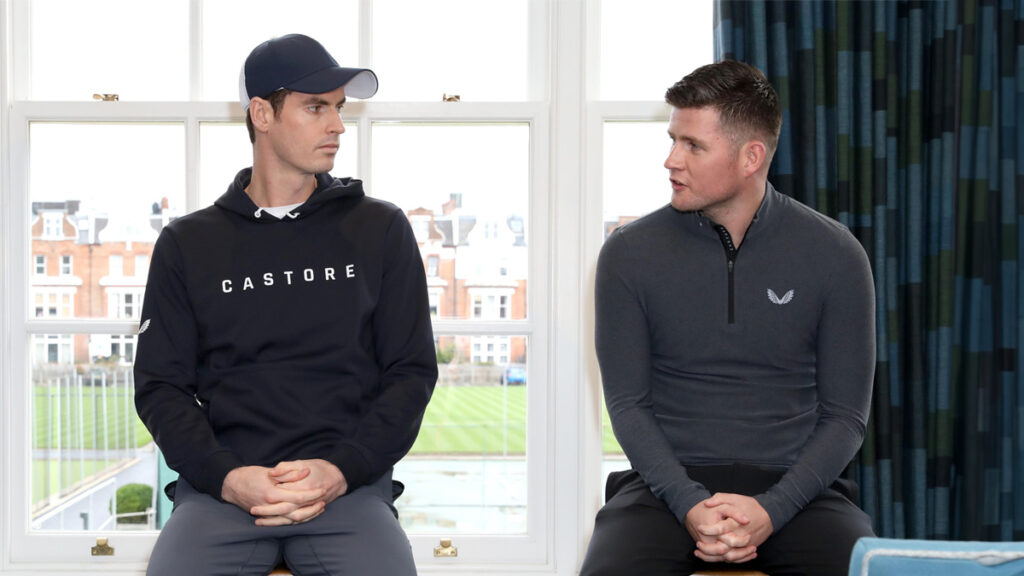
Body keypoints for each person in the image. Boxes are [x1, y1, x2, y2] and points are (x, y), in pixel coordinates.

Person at [134, 33, 437, 576]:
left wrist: (342, 469)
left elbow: (411, 374)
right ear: (262, 114)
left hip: (346, 491)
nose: (338, 125)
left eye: (339, 108)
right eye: (316, 106)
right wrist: (226, 477)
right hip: (222, 494)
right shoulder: (188, 243)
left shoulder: (379, 228)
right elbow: (160, 386)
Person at [580, 59, 876, 576]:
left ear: (750, 157)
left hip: (799, 491)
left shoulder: (836, 254)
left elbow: (846, 417)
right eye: (673, 139)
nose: (671, 160)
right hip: (664, 491)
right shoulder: (628, 254)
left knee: (865, 566)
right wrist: (690, 503)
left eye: (693, 145)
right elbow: (628, 405)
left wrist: (772, 509)